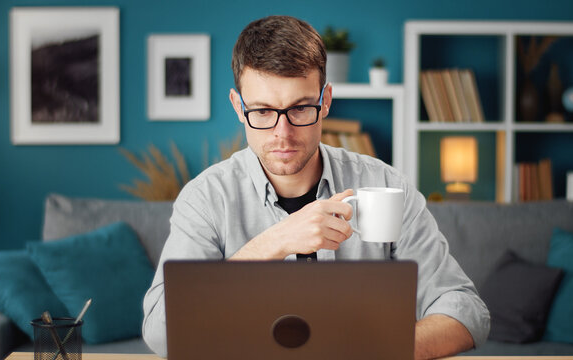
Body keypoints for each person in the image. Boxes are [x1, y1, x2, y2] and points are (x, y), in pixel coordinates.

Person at [142, 15, 490, 359]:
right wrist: (275, 242)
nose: (283, 133)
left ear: (325, 101)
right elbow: (161, 332)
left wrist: (371, 350)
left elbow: (466, 312)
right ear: (238, 106)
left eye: (300, 108)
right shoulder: (205, 199)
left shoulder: (385, 185)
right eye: (262, 111)